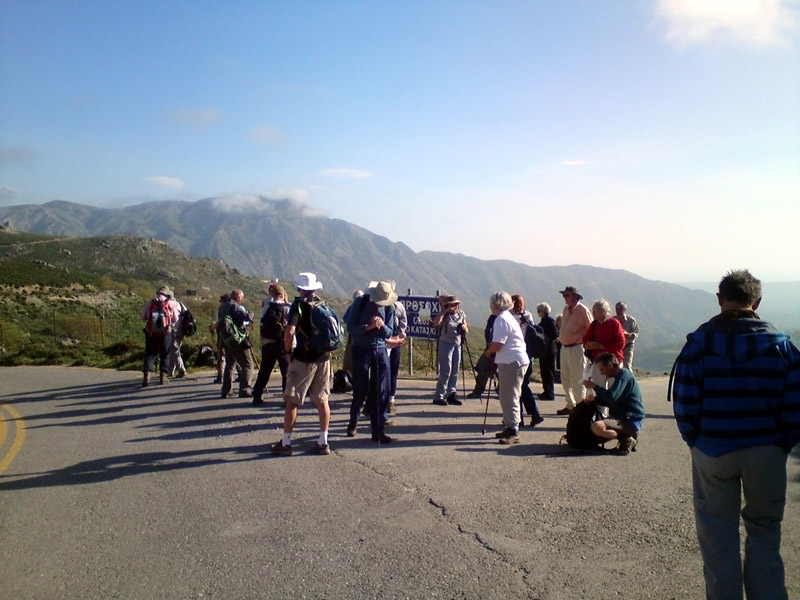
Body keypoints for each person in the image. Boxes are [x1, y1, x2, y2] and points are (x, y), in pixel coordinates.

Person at [671, 270, 800, 600]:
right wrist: (781, 444)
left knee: (717, 536)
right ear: (757, 302)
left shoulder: (698, 344)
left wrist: (697, 442)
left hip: (713, 450)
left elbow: (685, 402)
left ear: (719, 299)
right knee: (764, 530)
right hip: (767, 451)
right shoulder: (782, 346)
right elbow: (794, 404)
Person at [272, 273, 334, 456]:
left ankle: (286, 443)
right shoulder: (323, 304)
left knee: (292, 401)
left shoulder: (298, 306)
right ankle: (323, 441)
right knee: (322, 400)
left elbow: (289, 332)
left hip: (304, 358)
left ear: (300, 288)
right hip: (324, 358)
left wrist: (288, 352)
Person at [345, 281, 400, 443]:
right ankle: (353, 423)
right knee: (360, 389)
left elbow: (389, 331)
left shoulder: (389, 307)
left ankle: (378, 431)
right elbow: (350, 327)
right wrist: (367, 328)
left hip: (380, 350)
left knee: (381, 391)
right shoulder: (360, 302)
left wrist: (381, 326)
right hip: (361, 350)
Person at [483, 291, 528, 445]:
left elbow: (498, 344)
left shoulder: (501, 319)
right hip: (513, 360)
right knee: (506, 395)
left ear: (496, 304)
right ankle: (510, 426)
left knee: (510, 396)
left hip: (511, 362)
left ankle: (514, 429)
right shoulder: (507, 317)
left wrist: (489, 351)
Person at [582, 352, 644, 455]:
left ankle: (626, 438)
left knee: (597, 427)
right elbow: (612, 400)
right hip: (620, 416)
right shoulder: (619, 377)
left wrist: (595, 387)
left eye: (602, 369)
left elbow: (612, 396)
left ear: (610, 365)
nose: (602, 373)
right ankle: (625, 437)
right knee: (590, 437)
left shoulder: (624, 376)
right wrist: (594, 400)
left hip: (630, 419)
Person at [556, 286, 592, 415]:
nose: (564, 298)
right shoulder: (566, 309)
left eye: (567, 295)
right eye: (564, 295)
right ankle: (570, 405)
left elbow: (590, 328)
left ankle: (580, 407)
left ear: (575, 297)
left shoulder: (583, 310)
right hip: (564, 348)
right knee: (565, 378)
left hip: (576, 348)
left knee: (577, 379)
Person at [252, 283, 290, 405]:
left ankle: (257, 395)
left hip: (268, 342)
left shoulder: (266, 307)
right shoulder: (288, 307)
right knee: (286, 371)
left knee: (265, 370)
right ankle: (287, 398)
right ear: (282, 294)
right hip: (283, 343)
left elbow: (262, 323)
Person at [582, 299, 626, 399]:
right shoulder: (594, 325)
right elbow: (585, 338)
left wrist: (602, 346)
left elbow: (621, 343)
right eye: (593, 310)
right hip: (598, 361)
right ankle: (600, 413)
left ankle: (614, 412)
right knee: (598, 388)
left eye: (596, 310)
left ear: (604, 311)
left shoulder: (614, 324)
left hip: (613, 361)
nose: (593, 312)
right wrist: (587, 344)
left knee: (614, 389)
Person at [510, 294, 543, 428]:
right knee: (524, 385)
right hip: (528, 355)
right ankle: (534, 414)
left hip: (515, 354)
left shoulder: (511, 318)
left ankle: (519, 418)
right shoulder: (528, 316)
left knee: (515, 387)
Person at [218, 289, 256, 399]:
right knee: (248, 364)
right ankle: (244, 389)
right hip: (238, 339)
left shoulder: (222, 307)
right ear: (238, 297)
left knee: (230, 364)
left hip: (226, 340)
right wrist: (251, 315)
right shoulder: (235, 307)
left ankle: (226, 390)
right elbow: (246, 319)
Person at [431, 295, 468, 406]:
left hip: (457, 344)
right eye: (451, 305)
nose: (454, 307)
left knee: (455, 370)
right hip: (445, 343)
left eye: (456, 304)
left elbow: (466, 328)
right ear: (447, 305)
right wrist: (444, 312)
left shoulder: (461, 314)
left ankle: (451, 394)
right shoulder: (445, 315)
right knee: (446, 370)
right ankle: (439, 396)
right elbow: (436, 323)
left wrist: (464, 328)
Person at [140, 286, 178, 386]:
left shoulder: (150, 303)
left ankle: (146, 376)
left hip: (151, 332)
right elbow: (175, 319)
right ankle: (163, 377)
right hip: (165, 332)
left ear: (158, 293)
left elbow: (142, 316)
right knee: (165, 354)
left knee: (150, 353)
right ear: (168, 295)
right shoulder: (171, 303)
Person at [467, 313, 497, 398]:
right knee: (481, 368)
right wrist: (489, 344)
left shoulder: (505, 317)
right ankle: (478, 390)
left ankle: (501, 392)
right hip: (491, 347)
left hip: (499, 348)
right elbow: (487, 331)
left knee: (500, 372)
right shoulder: (493, 317)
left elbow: (488, 331)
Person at [386, 298, 408, 415]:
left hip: (394, 341)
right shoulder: (379, 307)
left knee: (393, 371)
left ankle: (390, 399)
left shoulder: (398, 306)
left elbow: (403, 321)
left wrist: (399, 336)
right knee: (384, 372)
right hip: (385, 342)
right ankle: (382, 400)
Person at [536, 302, 558, 400]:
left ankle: (549, 392)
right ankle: (547, 391)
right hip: (546, 350)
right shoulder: (546, 321)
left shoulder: (548, 321)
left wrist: (545, 338)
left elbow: (554, 334)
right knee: (545, 371)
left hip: (548, 350)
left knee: (548, 372)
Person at [209, 293, 230, 384]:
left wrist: (212, 329)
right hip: (235, 337)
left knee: (222, 356)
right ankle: (240, 374)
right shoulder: (236, 308)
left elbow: (217, 323)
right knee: (234, 356)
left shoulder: (220, 310)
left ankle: (221, 376)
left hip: (222, 336)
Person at [614, 301, 639, 370]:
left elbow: (636, 333)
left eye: (620, 309)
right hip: (616, 348)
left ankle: (630, 380)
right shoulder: (612, 320)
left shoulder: (631, 320)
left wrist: (628, 335)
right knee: (616, 367)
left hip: (628, 347)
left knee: (627, 366)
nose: (618, 311)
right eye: (617, 309)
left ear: (624, 310)